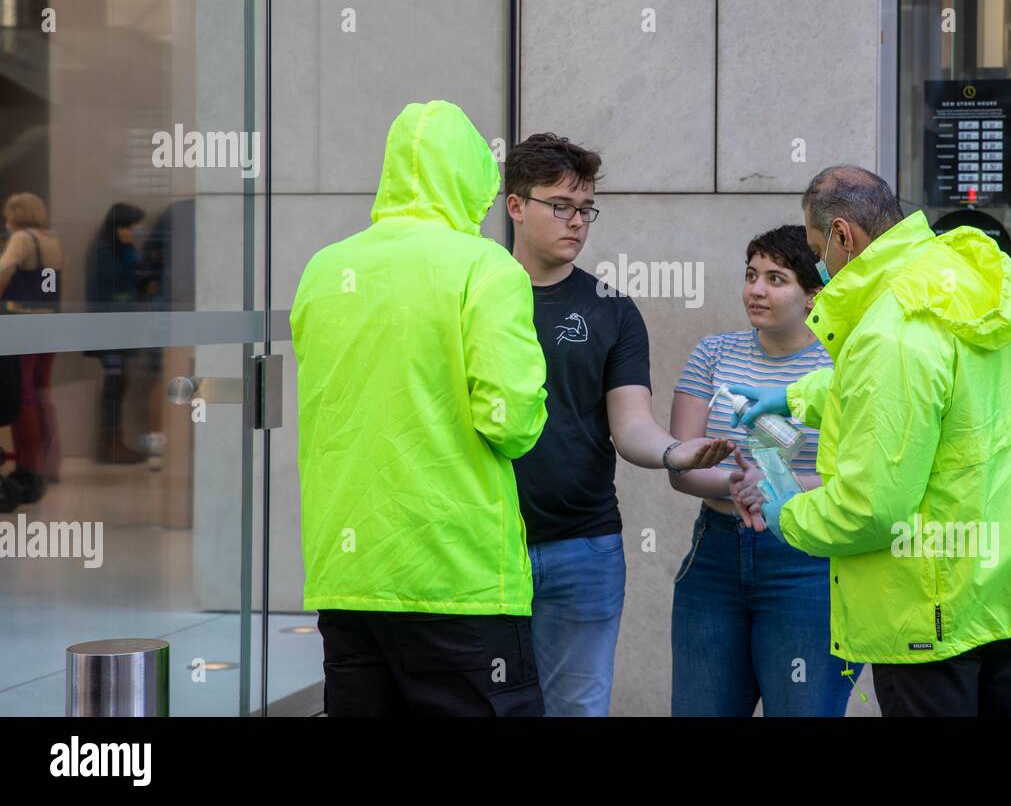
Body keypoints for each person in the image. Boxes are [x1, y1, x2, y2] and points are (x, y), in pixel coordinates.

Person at [730, 166, 1011, 717]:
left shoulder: (889, 329)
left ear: (844, 236)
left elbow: (871, 508)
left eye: (817, 249)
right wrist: (795, 397)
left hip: (930, 607)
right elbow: (933, 394)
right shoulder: (956, 278)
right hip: (1005, 584)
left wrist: (786, 511)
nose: (820, 264)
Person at [291, 100, 550, 716]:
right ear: (470, 183)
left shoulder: (324, 269)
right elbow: (511, 419)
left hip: (348, 576)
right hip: (457, 577)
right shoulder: (485, 266)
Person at [504, 132, 733, 717]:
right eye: (560, 206)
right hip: (484, 545)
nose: (576, 222)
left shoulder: (611, 306)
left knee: (577, 709)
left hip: (585, 543)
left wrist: (674, 453)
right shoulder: (475, 296)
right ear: (515, 206)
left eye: (585, 209)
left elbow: (631, 424)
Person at [668, 224, 852, 716]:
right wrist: (736, 482)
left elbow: (854, 476)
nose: (756, 289)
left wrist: (771, 487)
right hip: (716, 554)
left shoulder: (843, 363)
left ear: (813, 294)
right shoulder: (713, 354)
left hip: (806, 558)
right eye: (751, 275)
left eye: (776, 279)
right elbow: (682, 465)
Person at [0, 193, 64, 490]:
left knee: (21, 394)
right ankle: (51, 463)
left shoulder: (22, 239)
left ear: (15, 216)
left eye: (7, 217)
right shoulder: (53, 240)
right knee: (42, 392)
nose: (6, 223)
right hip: (49, 324)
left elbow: (3, 272)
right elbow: (49, 282)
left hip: (22, 324)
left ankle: (29, 466)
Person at [84, 202, 148, 464]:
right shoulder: (104, 253)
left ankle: (113, 441)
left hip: (120, 330)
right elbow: (110, 293)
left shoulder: (122, 251)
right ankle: (110, 444)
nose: (133, 232)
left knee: (118, 382)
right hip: (109, 331)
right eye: (129, 227)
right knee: (114, 383)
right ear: (117, 227)